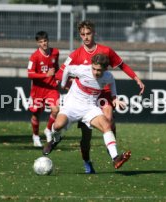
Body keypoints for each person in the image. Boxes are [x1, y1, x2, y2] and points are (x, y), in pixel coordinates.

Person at [55, 20, 145, 173]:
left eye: (88, 33)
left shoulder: (106, 51)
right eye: (82, 34)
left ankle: (113, 153)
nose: (86, 37)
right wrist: (73, 84)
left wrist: (136, 78)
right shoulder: (76, 54)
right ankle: (87, 161)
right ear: (80, 35)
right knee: (86, 136)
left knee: (108, 118)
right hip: (84, 98)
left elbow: (122, 65)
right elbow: (59, 74)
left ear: (94, 33)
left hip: (102, 93)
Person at [43, 53, 131, 170]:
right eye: (93, 68)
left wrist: (114, 97)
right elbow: (67, 68)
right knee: (58, 126)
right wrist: (63, 84)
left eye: (99, 70)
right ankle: (55, 140)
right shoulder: (83, 70)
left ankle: (115, 158)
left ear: (105, 69)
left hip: (90, 107)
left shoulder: (108, 76)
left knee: (106, 125)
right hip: (72, 106)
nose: (95, 72)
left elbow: (112, 83)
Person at [27, 31, 60, 147]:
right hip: (38, 90)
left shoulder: (55, 52)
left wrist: (58, 78)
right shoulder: (34, 57)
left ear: (48, 40)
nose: (44, 43)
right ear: (38, 43)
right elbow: (30, 74)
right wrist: (45, 75)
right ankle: (35, 136)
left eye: (45, 41)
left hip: (51, 88)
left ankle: (48, 129)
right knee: (36, 114)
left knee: (56, 109)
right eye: (41, 42)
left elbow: (56, 67)